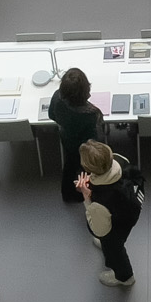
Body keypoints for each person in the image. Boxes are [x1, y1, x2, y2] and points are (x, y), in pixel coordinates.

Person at [75, 140, 142, 288]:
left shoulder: (100, 201)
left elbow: (100, 230)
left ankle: (125, 277)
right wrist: (94, 179)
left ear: (87, 168)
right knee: (112, 239)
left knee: (114, 250)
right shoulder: (120, 161)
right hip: (130, 207)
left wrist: (86, 196)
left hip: (117, 225)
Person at [47, 67, 106, 203]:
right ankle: (88, 193)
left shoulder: (57, 97)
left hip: (67, 139)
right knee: (88, 168)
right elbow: (99, 130)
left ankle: (68, 194)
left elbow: (51, 114)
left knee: (70, 165)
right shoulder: (91, 113)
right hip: (86, 146)